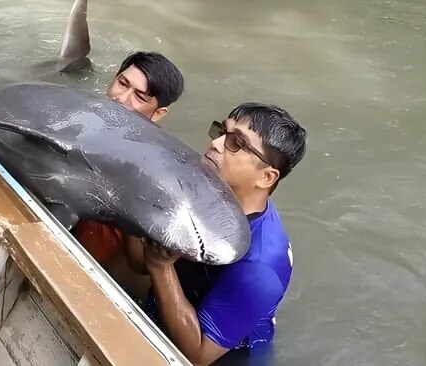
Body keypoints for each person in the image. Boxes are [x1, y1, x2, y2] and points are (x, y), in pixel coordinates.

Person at [126, 103, 307, 366]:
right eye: (222, 131)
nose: (217, 143)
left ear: (267, 177)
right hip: (177, 304)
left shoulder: (260, 265)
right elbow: (138, 264)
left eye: (236, 143)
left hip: (224, 355)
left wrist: (160, 266)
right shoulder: (211, 188)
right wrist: (138, 203)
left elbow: (197, 356)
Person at [72, 51, 185, 265]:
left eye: (140, 97)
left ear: (159, 113)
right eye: (122, 84)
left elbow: (138, 260)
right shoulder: (82, 117)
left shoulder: (153, 169)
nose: (122, 99)